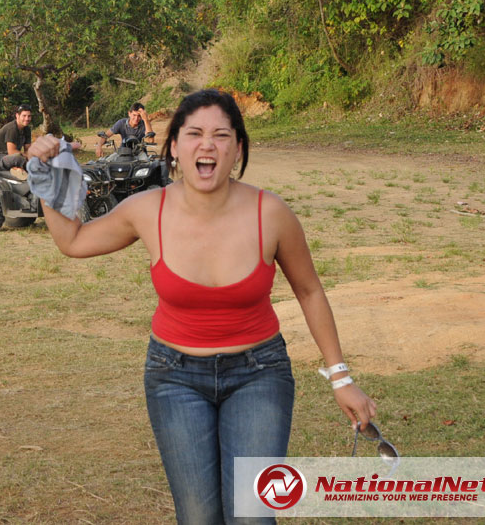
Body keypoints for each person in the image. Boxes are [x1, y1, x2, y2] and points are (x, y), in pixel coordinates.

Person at [27, 89, 375, 524]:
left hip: (260, 375)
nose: (206, 145)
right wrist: (45, 175)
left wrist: (341, 377)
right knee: (198, 517)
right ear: (174, 147)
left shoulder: (271, 213)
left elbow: (309, 291)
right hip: (174, 378)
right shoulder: (146, 210)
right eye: (193, 133)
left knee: (252, 515)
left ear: (238, 149)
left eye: (220, 135)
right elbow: (73, 242)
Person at [0, 103, 32, 179]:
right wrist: (27, 157)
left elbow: (28, 150)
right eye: (24, 116)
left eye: (29, 116)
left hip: (12, 158)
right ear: (17, 116)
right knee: (18, 158)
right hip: (0, 158)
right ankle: (15, 169)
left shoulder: (27, 129)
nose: (27, 119)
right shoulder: (12, 128)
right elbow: (11, 152)